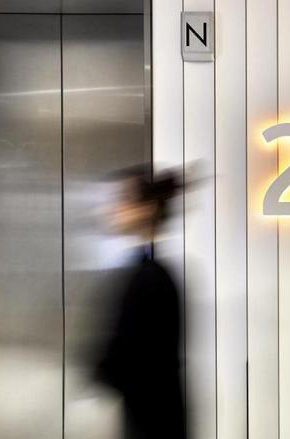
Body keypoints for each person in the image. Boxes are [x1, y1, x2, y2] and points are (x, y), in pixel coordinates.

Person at [94, 166, 186, 439]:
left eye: (124, 199)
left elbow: (132, 357)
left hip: (151, 420)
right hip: (154, 417)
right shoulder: (150, 271)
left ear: (148, 209)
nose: (115, 208)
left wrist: (102, 371)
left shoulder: (149, 276)